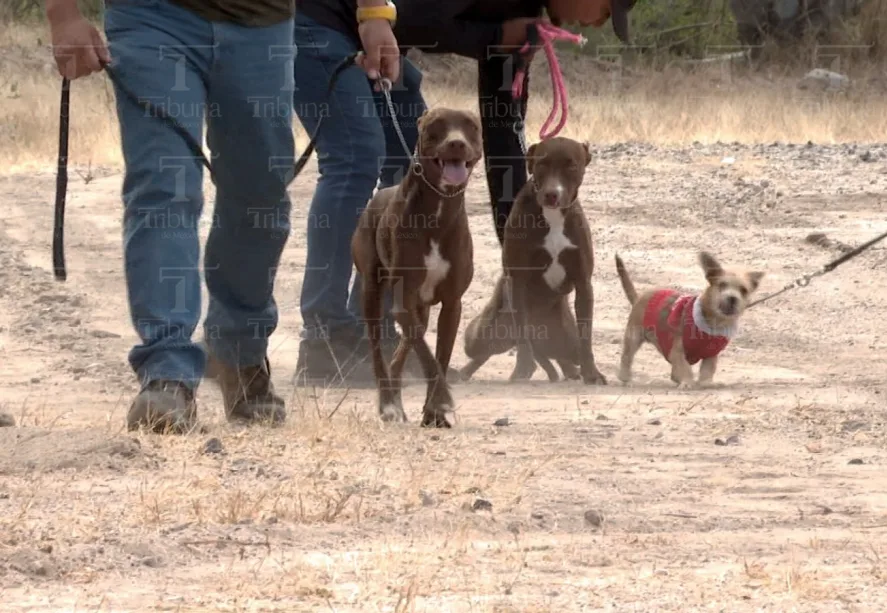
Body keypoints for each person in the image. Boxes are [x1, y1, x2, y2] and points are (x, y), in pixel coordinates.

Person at [293, 0, 638, 386]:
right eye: (607, 10)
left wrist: (523, 244)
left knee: (419, 161)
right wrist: (495, 36)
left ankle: (382, 333)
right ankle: (324, 341)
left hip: (378, 38)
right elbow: (416, 15)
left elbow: (503, 131)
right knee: (355, 157)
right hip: (325, 21)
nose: (596, 24)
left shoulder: (523, 20)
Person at [46, 0, 299, 433]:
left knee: (260, 197)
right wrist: (62, 13)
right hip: (152, 16)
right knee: (164, 187)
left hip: (263, 24)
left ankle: (239, 351)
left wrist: (373, 15)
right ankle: (167, 373)